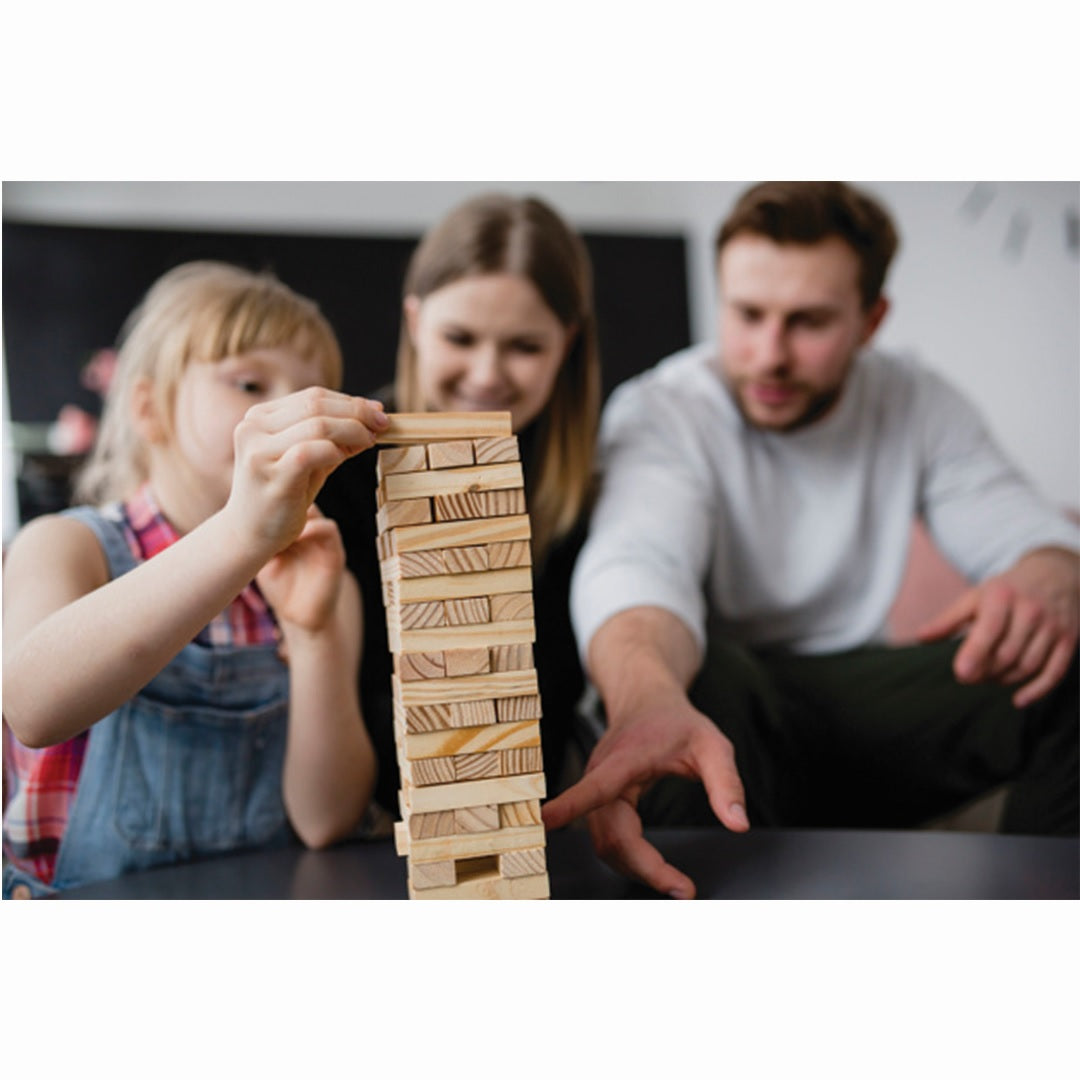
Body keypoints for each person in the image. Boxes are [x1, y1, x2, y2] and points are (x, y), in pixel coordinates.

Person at [542, 181, 1080, 899]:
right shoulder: (662, 411)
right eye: (748, 314)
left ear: (871, 319)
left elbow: (1018, 527)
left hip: (858, 711)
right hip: (721, 713)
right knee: (700, 683)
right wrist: (644, 695)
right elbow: (639, 562)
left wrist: (1049, 574)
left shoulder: (916, 400)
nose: (769, 354)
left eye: (809, 322)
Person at [2, 260, 389, 898]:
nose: (286, 413)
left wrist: (315, 634)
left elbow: (326, 820)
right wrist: (241, 533)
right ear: (151, 408)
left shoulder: (321, 582)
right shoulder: (70, 546)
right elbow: (30, 709)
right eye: (249, 383)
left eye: (310, 395)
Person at [318, 193, 600, 815]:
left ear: (567, 342)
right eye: (460, 337)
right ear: (415, 322)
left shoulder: (589, 491)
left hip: (526, 827)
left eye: (524, 346)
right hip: (369, 827)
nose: (486, 372)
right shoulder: (337, 476)